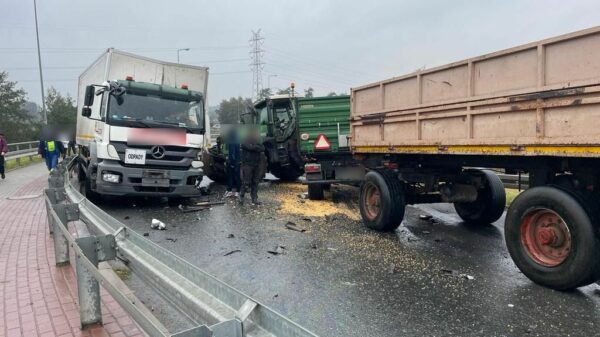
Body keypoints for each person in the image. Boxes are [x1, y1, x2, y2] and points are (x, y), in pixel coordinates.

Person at [239, 129, 265, 205]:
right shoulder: (244, 141)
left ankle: (254, 199)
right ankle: (241, 196)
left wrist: (255, 147)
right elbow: (249, 147)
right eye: (255, 134)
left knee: (255, 182)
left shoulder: (257, 142)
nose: (257, 135)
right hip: (247, 165)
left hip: (256, 164)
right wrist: (256, 147)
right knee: (246, 182)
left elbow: (263, 148)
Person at [224, 128, 241, 198]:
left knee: (231, 176)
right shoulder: (237, 140)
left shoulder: (232, 141)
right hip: (237, 161)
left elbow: (232, 153)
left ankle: (231, 190)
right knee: (237, 176)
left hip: (233, 162)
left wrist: (232, 163)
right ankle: (238, 190)